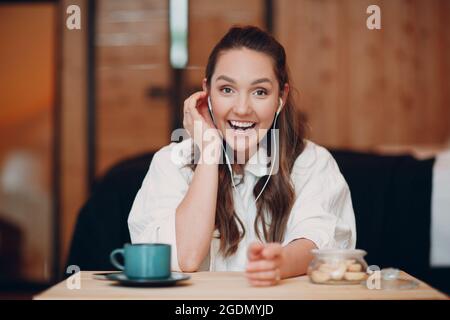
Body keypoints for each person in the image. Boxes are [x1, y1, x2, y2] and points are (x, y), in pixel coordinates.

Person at [128, 25, 356, 286]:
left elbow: (318, 241)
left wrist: (280, 263)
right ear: (207, 93)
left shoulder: (312, 161)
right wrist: (209, 153)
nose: (242, 108)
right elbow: (186, 257)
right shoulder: (170, 162)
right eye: (227, 89)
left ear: (281, 97)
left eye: (260, 92)